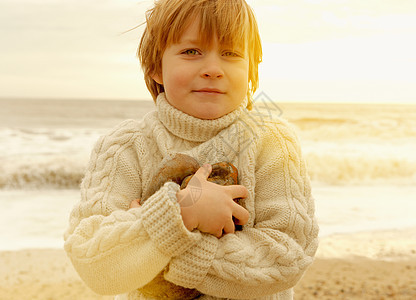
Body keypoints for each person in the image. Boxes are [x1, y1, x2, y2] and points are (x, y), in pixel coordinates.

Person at [64, 0, 319, 299]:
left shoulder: (272, 142)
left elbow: (288, 258)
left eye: (231, 53)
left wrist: (160, 243)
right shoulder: (124, 147)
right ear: (155, 66)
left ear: (251, 68)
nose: (213, 69)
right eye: (191, 51)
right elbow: (92, 261)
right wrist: (182, 212)